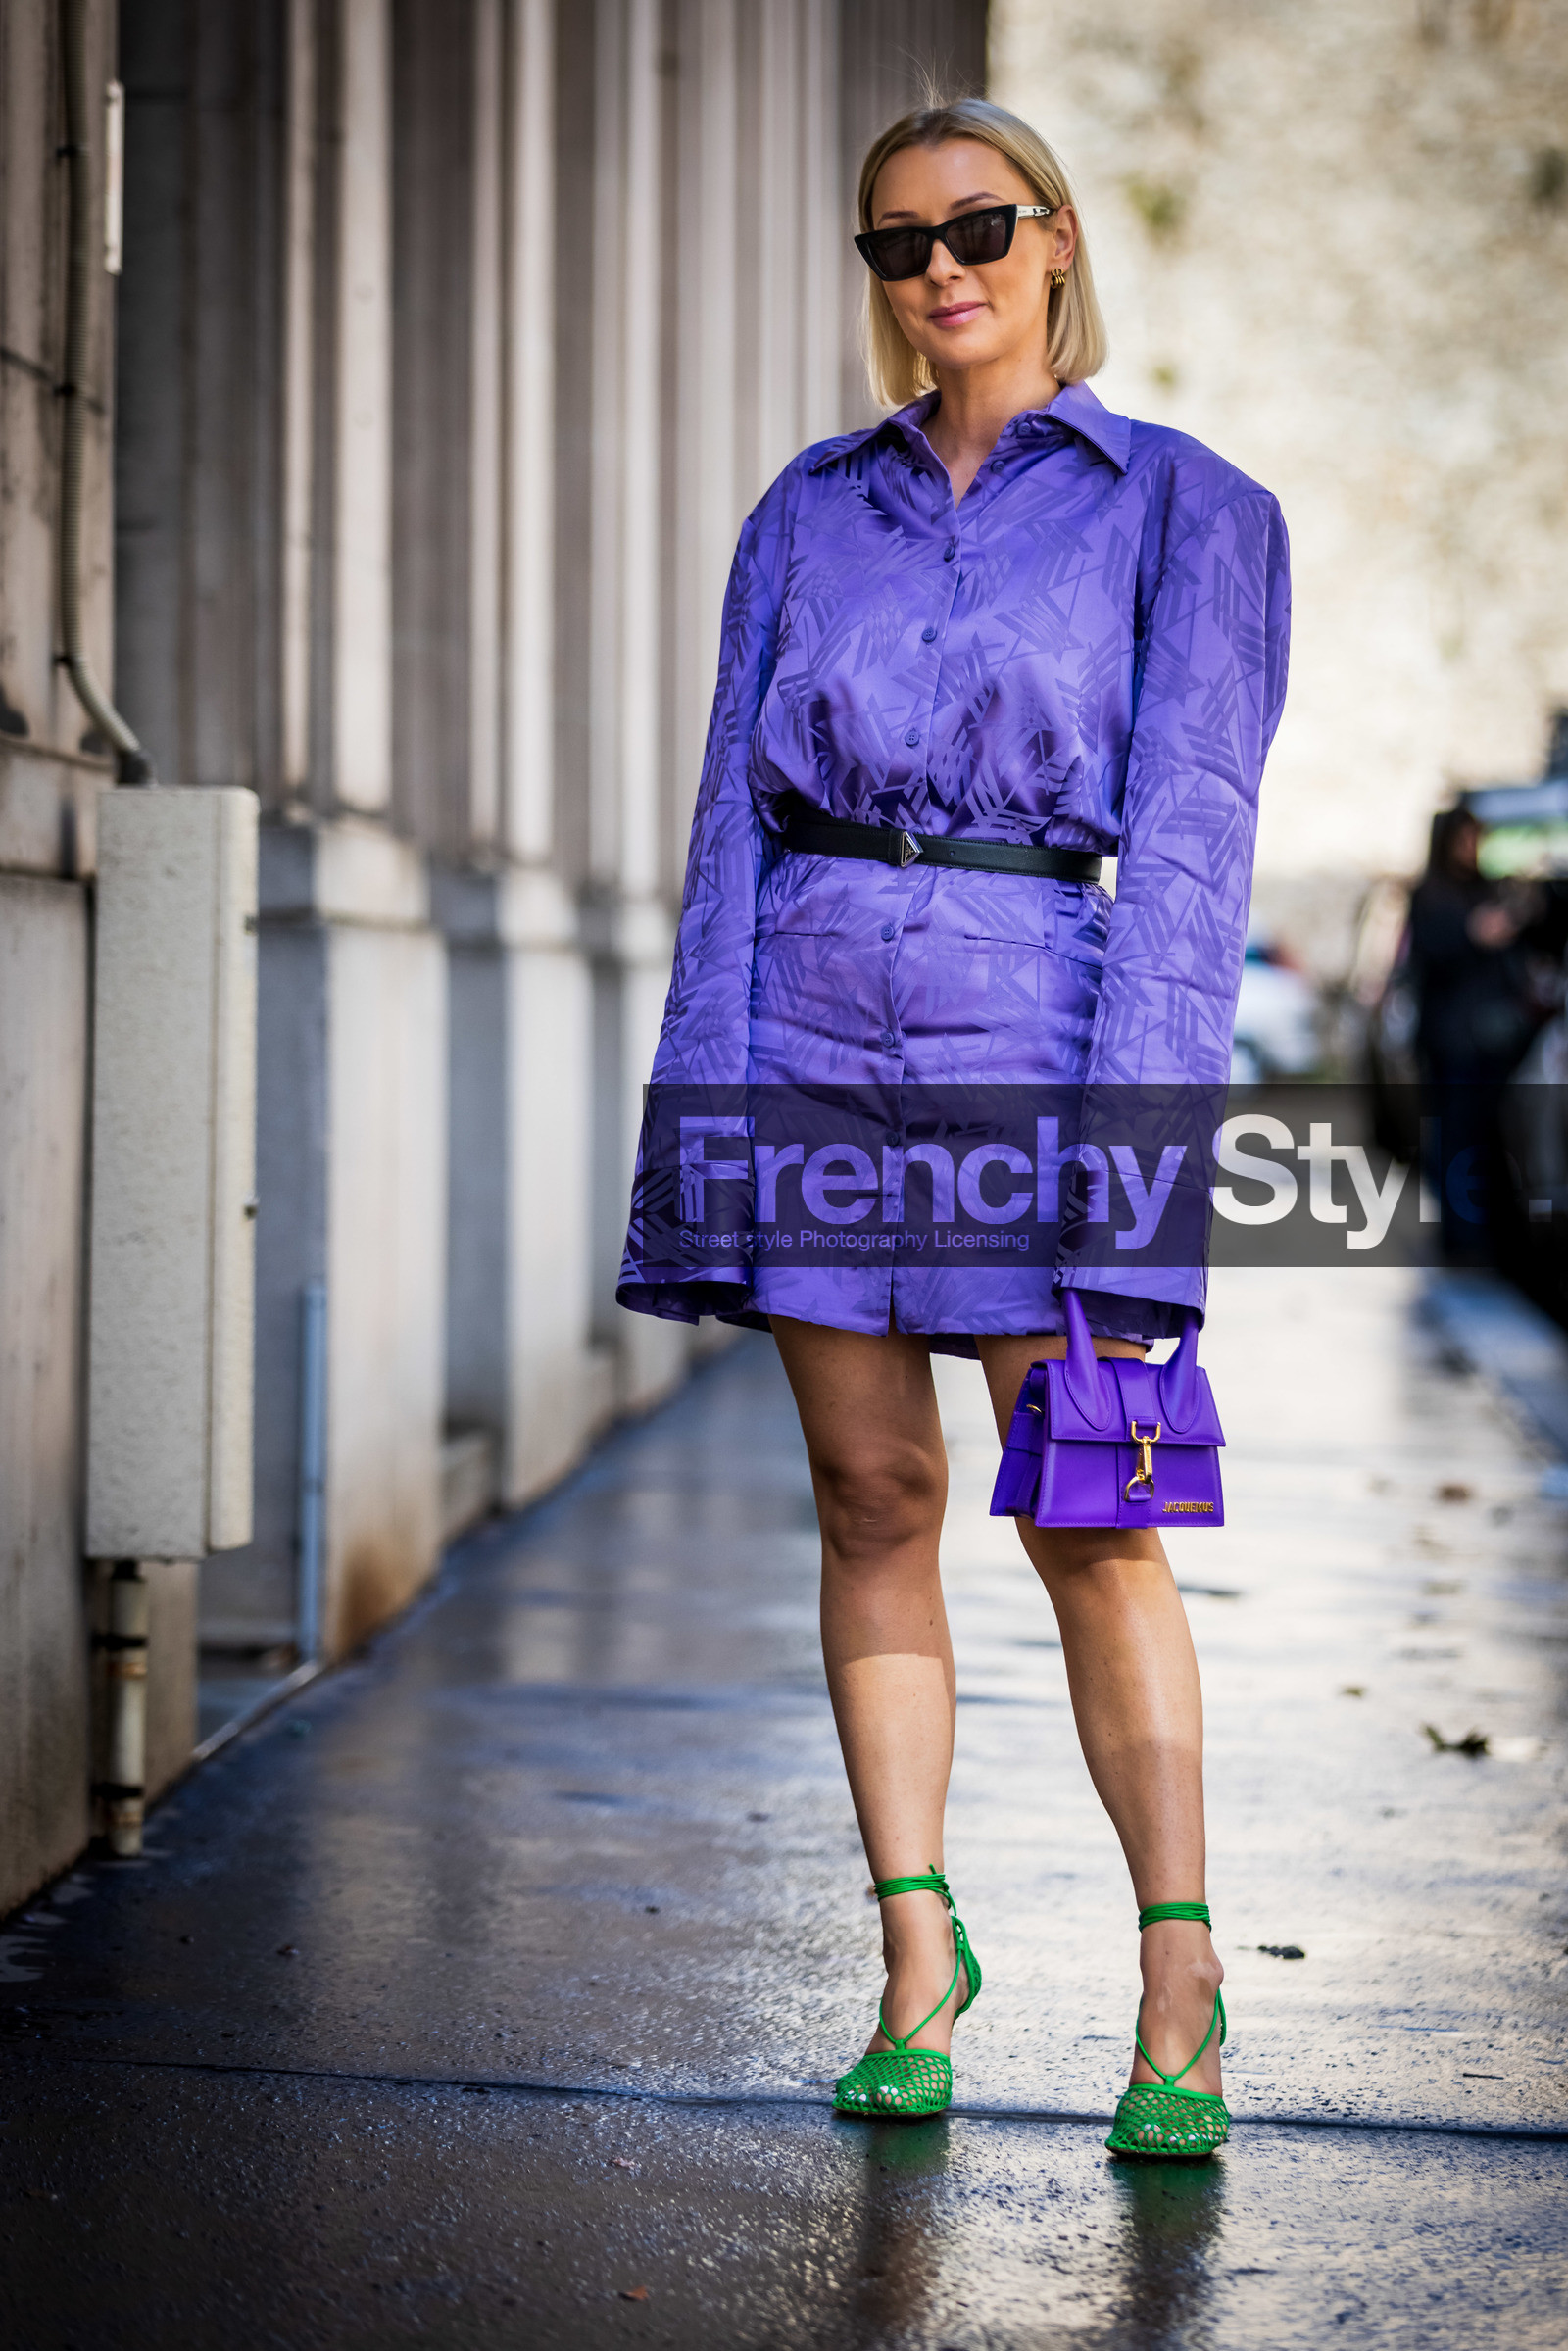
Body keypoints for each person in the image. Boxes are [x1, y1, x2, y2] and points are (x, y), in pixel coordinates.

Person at [617, 97, 1290, 2157]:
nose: (939, 270)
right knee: (868, 1491)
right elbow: (727, 825)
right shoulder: (805, 508)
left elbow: (1186, 855)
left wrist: (1140, 1182)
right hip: (809, 1011)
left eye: (976, 226)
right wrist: (703, 1118)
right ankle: (917, 1946)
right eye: (896, 243)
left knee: (1087, 1509)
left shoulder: (1184, 508)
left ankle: (1175, 1973)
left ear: (1059, 240)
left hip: (1035, 1034)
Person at [1408, 808, 1546, 1263]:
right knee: (1455, 1143)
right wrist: (1478, 932)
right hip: (1453, 1045)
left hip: (1491, 1043)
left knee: (1488, 1143)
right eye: (1464, 839)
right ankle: (1462, 1240)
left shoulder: (1483, 889)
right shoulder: (1432, 896)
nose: (1470, 848)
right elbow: (1443, 948)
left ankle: (1487, 1236)